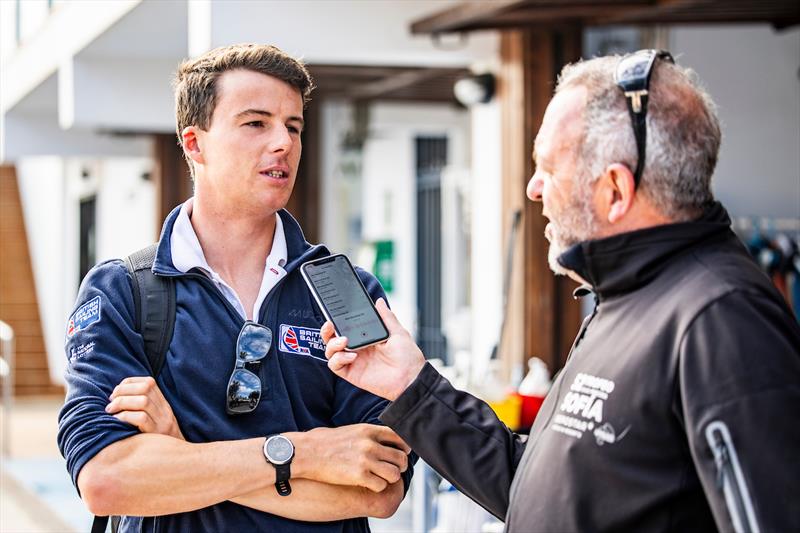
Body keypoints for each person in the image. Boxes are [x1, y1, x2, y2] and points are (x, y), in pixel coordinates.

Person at [322, 50, 800, 532]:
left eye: (548, 167)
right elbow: (542, 493)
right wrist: (411, 386)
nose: (533, 188)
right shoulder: (625, 298)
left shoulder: (720, 318)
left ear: (614, 189)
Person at [58, 44, 413, 532]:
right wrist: (304, 454)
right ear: (194, 144)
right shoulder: (123, 293)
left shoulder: (347, 290)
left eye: (293, 126)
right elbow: (107, 481)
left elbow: (379, 489)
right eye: (256, 123)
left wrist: (182, 453)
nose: (283, 143)